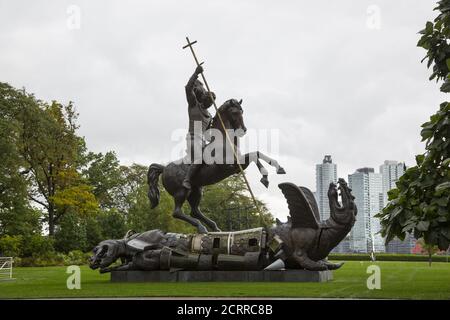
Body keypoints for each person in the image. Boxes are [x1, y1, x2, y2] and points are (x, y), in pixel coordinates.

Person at [182, 65, 216, 190]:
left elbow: (207, 133)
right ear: (203, 98)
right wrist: (196, 73)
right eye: (208, 101)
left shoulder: (209, 116)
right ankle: (187, 179)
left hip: (202, 140)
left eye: (211, 103)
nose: (209, 104)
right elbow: (187, 88)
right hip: (192, 138)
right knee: (199, 158)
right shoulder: (193, 104)